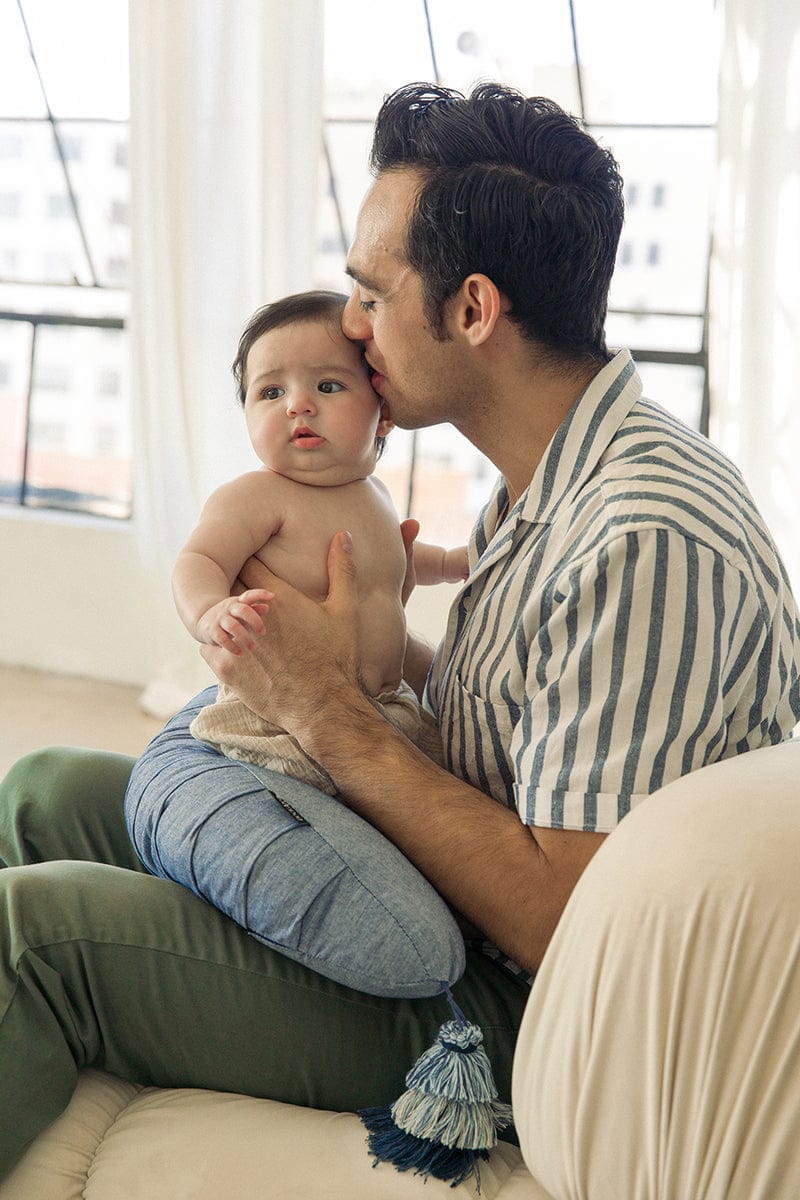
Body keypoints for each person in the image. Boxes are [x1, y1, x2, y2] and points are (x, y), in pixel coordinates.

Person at [2, 81, 800, 1188]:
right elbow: (507, 719)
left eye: (372, 293)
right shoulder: (548, 481)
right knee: (40, 787)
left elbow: (555, 920)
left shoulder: (643, 541)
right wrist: (337, 664)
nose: (353, 325)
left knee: (35, 939)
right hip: (425, 880)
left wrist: (317, 706)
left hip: (494, 1005)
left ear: (472, 309)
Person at [172, 289, 464, 791]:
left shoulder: (374, 493)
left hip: (380, 711)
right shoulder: (257, 496)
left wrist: (457, 561)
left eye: (328, 386)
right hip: (277, 724)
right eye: (270, 393)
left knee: (448, 779)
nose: (298, 406)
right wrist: (209, 613)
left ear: (384, 412)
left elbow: (399, 559)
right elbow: (198, 559)